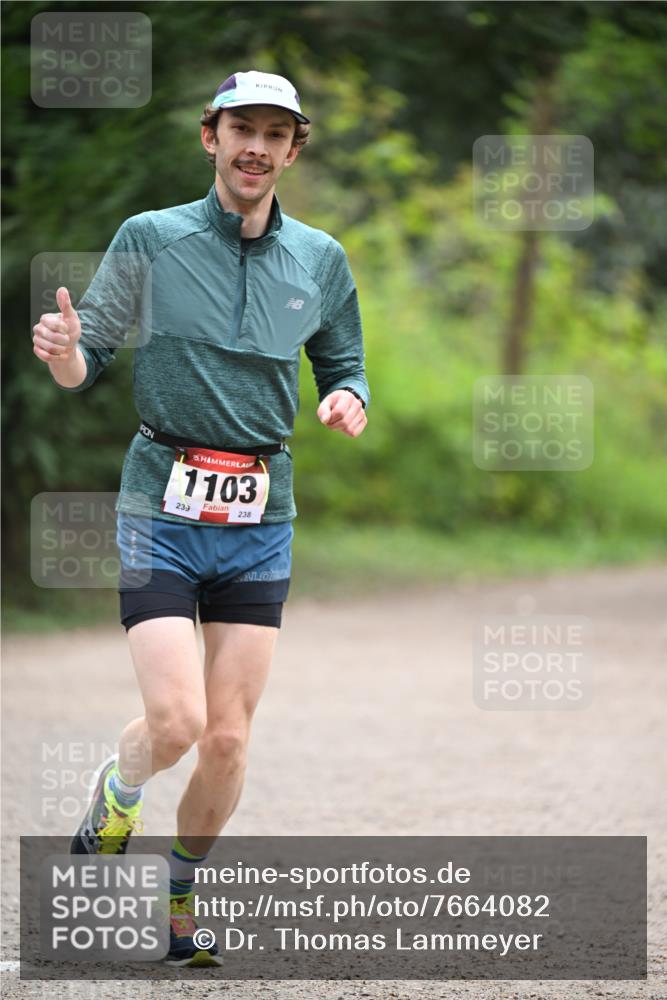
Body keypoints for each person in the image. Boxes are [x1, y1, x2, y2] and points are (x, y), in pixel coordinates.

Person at [32, 70, 370, 967]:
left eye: (274, 132)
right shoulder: (152, 238)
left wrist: (347, 399)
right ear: (209, 138)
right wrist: (65, 353)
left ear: (293, 149)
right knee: (176, 724)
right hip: (161, 505)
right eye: (240, 128)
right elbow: (88, 356)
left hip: (261, 514)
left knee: (226, 738)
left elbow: (345, 364)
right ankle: (120, 789)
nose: (255, 145)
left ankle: (178, 900)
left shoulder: (321, 258)